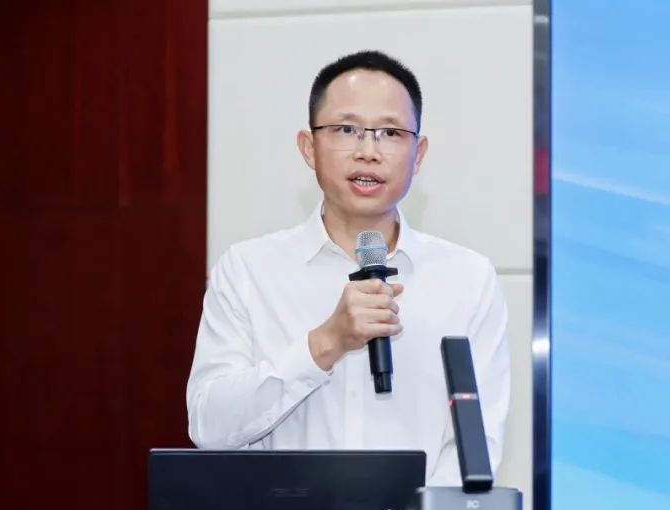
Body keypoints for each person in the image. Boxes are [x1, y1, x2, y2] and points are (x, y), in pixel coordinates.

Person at [186, 50, 510, 486]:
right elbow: (208, 427)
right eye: (346, 129)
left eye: (390, 133)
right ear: (309, 147)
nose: (368, 152)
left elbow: (475, 446)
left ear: (418, 154)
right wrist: (325, 344)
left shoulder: (467, 279)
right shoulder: (247, 271)